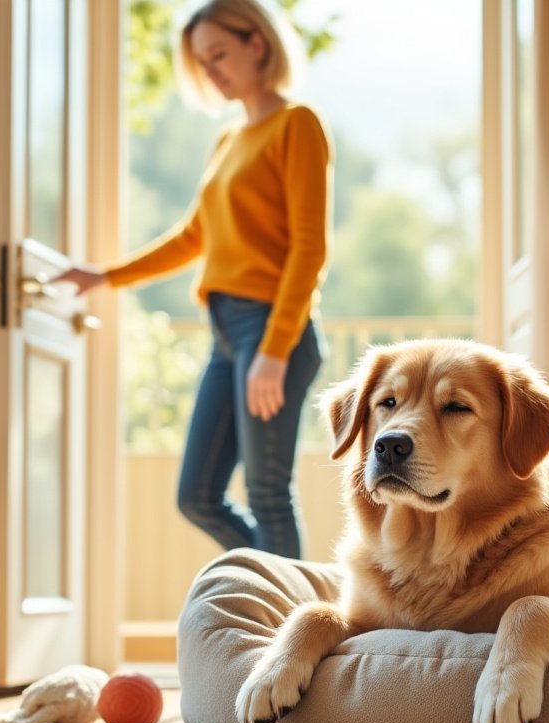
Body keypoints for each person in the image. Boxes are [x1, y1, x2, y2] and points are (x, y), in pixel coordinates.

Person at [56, 0, 332, 559]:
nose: (211, 71)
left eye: (219, 55)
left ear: (258, 44)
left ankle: (288, 632)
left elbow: (309, 248)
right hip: (227, 333)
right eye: (203, 62)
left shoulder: (295, 125)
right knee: (197, 496)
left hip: (272, 330)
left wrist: (275, 350)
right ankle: (295, 589)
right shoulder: (229, 140)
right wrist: (103, 277)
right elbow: (193, 237)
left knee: (267, 495)